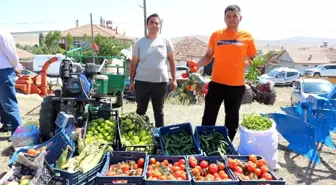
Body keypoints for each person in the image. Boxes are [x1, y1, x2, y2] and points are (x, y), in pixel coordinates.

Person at [194, 5, 257, 141]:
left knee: (232, 118)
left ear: (240, 17)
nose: (231, 19)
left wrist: (254, 66)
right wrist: (198, 65)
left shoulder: (247, 37)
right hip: (216, 83)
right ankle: (205, 142)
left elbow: (253, 59)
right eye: (228, 16)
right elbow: (208, 56)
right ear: (224, 19)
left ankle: (227, 144)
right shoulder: (216, 35)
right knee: (209, 116)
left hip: (236, 86)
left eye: (234, 15)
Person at [129, 13, 177, 128]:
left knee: (159, 111)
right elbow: (134, 63)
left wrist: (174, 79)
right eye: (151, 22)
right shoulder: (139, 42)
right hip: (142, 81)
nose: (154, 25)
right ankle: (138, 132)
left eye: (157, 23)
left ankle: (159, 136)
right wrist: (131, 81)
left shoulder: (166, 41)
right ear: (147, 25)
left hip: (160, 83)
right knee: (140, 110)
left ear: (160, 26)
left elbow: (172, 60)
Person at [0, 30, 22, 134]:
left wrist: (15, 66)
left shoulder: (2, 34)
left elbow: (12, 55)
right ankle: (8, 124)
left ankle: (18, 135)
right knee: (2, 101)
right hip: (3, 71)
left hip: (3, 71)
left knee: (9, 103)